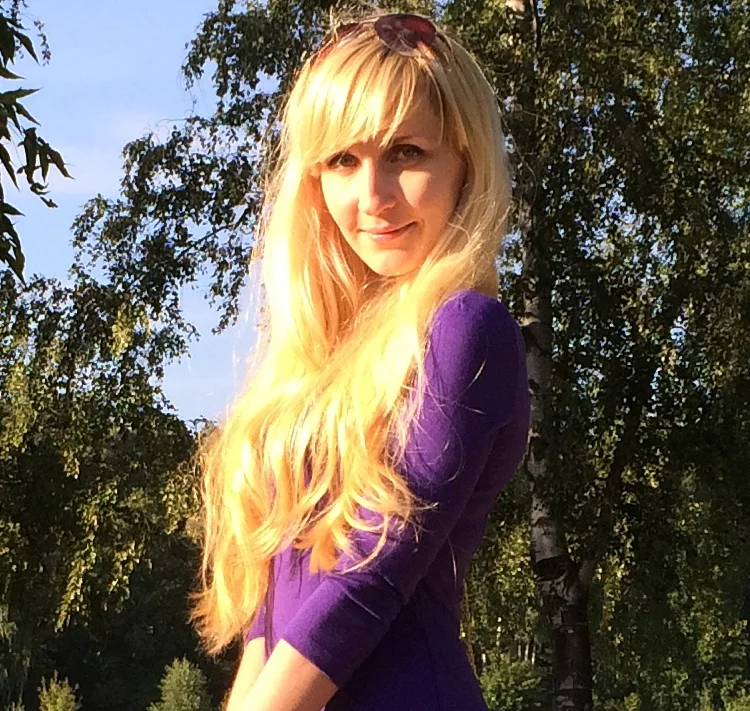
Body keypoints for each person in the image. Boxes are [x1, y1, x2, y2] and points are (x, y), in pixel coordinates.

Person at [191, 11, 530, 711]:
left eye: (406, 152)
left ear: (465, 162)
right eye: (343, 160)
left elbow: (368, 577)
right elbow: (271, 616)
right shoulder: (312, 368)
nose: (372, 197)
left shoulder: (466, 328)